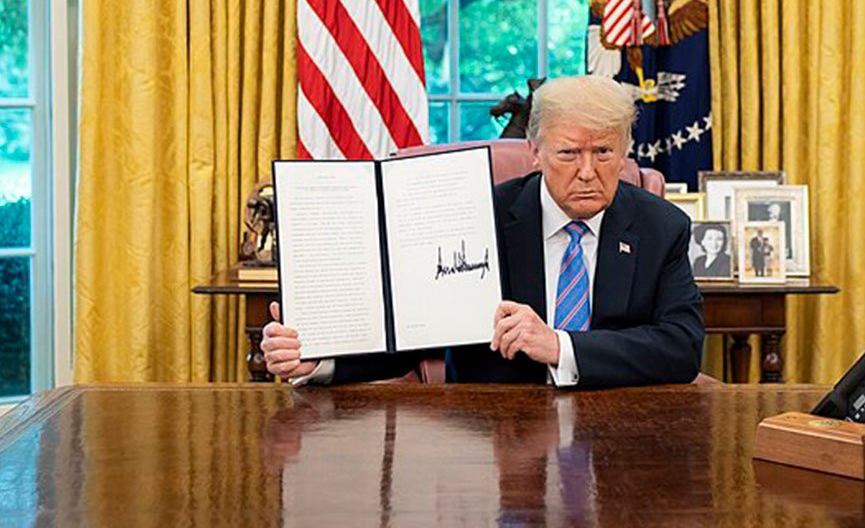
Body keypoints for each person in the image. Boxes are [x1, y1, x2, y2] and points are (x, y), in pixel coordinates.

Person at [261, 75, 704, 388]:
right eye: (569, 153)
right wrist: (322, 359)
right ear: (535, 152)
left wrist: (560, 346)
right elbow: (416, 334)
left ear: (625, 151)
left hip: (619, 429)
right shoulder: (477, 217)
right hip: (493, 433)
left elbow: (681, 347)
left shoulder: (660, 226)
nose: (588, 172)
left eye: (604, 152)